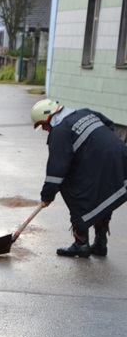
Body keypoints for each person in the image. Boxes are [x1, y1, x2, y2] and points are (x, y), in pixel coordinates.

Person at [32, 98, 127, 258]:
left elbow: (57, 168)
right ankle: (100, 244)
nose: (44, 130)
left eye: (43, 125)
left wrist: (47, 195)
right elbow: (109, 125)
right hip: (121, 158)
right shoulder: (85, 112)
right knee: (102, 194)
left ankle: (81, 244)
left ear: (48, 117)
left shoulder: (60, 131)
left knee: (71, 186)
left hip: (103, 164)